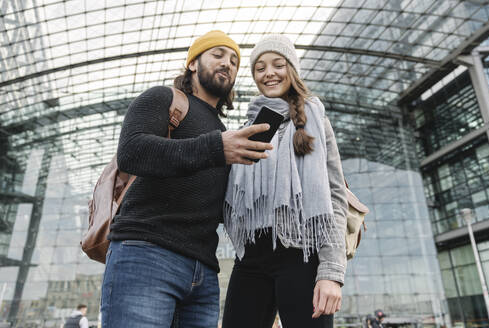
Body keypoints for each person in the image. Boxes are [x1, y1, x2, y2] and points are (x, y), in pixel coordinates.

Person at [100, 30, 273, 328]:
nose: (227, 64)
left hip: (203, 274)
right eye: (217, 55)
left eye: (234, 60)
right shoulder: (164, 99)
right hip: (146, 254)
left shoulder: (226, 131)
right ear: (193, 63)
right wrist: (216, 147)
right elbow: (132, 152)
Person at [222, 34, 348, 328]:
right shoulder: (247, 129)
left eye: (278, 64)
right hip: (251, 257)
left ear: (291, 68)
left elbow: (335, 198)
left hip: (301, 255)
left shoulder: (315, 117)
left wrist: (331, 272)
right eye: (260, 68)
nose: (269, 73)